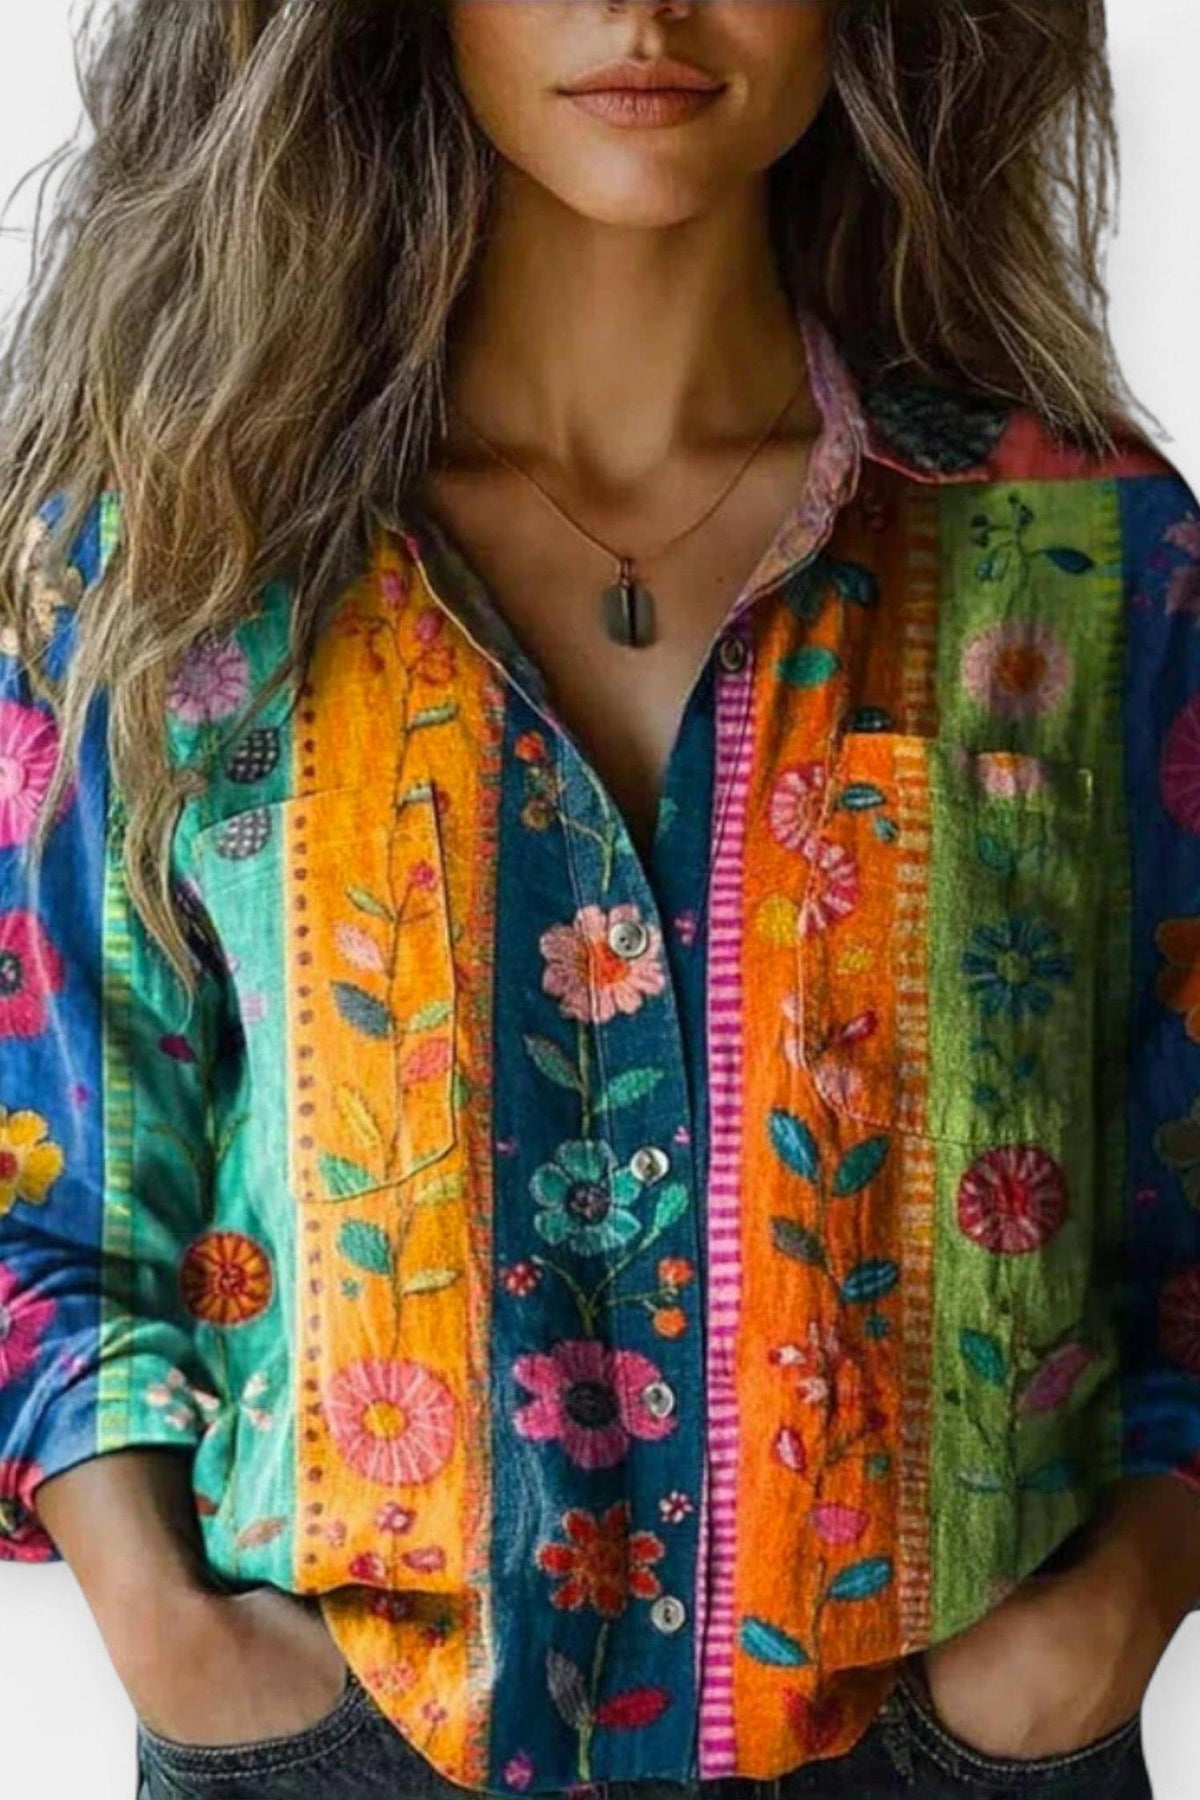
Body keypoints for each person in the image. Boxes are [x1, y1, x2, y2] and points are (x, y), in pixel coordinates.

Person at [1, 1, 1199, 1796]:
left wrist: (1109, 1614)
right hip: (349, 1737)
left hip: (942, 1736)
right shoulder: (178, 558)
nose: (646, 8)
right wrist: (178, 1638)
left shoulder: (1083, 550)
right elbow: (46, 1184)